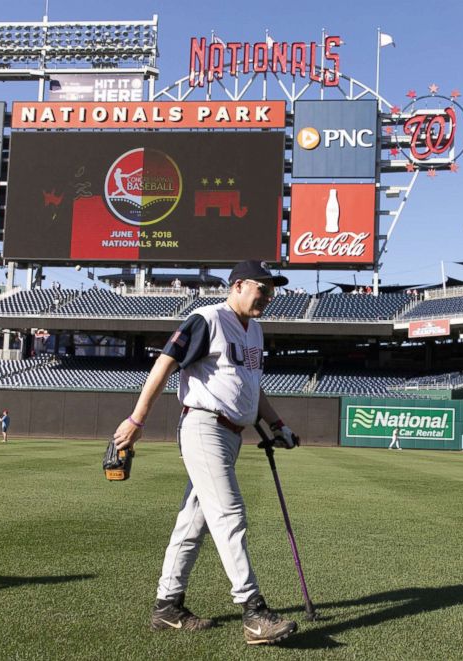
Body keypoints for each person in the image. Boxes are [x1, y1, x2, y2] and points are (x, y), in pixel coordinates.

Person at [113, 260, 300, 646]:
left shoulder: (256, 331)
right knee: (229, 513)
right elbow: (164, 365)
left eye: (272, 289)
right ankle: (253, 612)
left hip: (231, 434)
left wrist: (277, 425)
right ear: (237, 286)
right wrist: (136, 420)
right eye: (261, 287)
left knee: (192, 524)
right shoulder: (207, 318)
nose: (268, 295)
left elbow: (251, 385)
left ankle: (167, 607)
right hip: (204, 426)